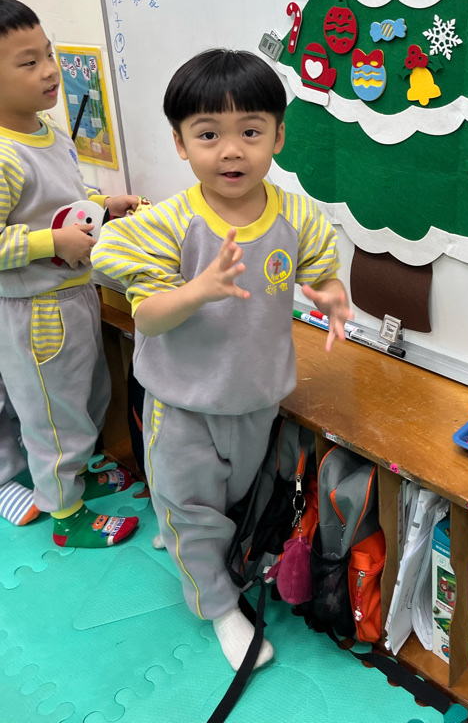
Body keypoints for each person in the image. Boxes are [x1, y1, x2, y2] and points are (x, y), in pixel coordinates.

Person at [92, 48, 352, 672]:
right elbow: (147, 316)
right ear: (181, 143)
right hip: (182, 402)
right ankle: (217, 606)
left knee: (229, 498)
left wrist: (331, 296)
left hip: (256, 396)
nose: (231, 151)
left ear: (278, 137)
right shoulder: (167, 223)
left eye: (250, 132)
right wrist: (197, 290)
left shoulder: (296, 214)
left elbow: (321, 268)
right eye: (209, 134)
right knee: (191, 506)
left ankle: (182, 530)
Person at [0, 0, 141, 544]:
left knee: (86, 396)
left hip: (75, 294)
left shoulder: (49, 130)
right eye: (28, 62)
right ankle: (65, 514)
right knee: (52, 416)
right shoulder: (5, 156)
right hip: (35, 310)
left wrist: (104, 205)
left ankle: (75, 477)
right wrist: (50, 242)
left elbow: (63, 200)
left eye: (49, 54)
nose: (50, 70)